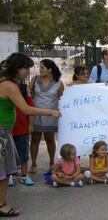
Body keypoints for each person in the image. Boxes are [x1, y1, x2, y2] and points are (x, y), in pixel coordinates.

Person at [0, 53, 60, 216]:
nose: (28, 72)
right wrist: (51, 112)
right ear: (17, 68)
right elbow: (26, 109)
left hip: (5, 131)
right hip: (2, 133)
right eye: (26, 68)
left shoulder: (6, 82)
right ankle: (2, 205)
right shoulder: (9, 85)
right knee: (4, 171)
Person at [29, 59, 64, 173]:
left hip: (51, 116)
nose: (40, 69)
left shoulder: (59, 83)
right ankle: (33, 163)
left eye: (42, 67)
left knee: (50, 139)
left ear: (50, 69)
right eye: (40, 67)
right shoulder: (34, 80)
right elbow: (29, 95)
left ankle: (51, 162)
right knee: (35, 138)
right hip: (36, 114)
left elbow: (62, 99)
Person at [8, 83, 34, 187]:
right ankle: (11, 175)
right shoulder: (4, 86)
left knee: (23, 153)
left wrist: (31, 124)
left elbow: (30, 107)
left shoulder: (23, 87)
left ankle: (24, 175)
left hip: (22, 127)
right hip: (8, 128)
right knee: (9, 154)